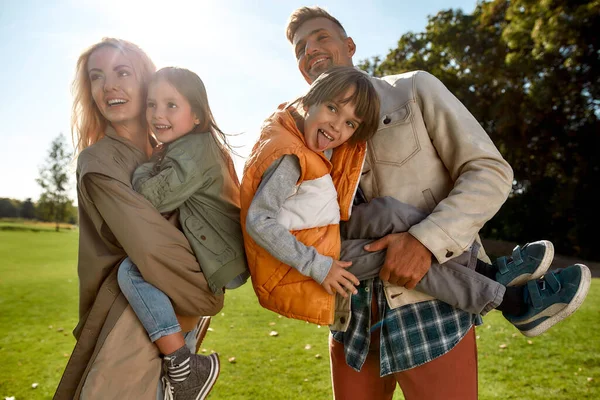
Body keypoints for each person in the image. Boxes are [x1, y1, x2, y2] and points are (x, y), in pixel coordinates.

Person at [284, 7, 591, 400]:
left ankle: (495, 281)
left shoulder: (413, 90)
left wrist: (425, 241)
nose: (310, 50)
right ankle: (497, 279)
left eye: (320, 37)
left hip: (432, 307)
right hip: (351, 318)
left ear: (349, 46)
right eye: (299, 48)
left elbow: (489, 171)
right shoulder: (299, 133)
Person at [242, 66, 587, 338]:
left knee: (389, 211)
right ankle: (513, 302)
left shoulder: (306, 137)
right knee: (399, 255)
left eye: (349, 123)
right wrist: (320, 266)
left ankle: (492, 271)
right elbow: (259, 221)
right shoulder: (288, 156)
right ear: (308, 99)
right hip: (303, 261)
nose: (336, 126)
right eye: (332, 109)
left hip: (322, 233)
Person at [54, 38, 223, 400]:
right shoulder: (99, 162)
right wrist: (210, 288)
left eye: (122, 72)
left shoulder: (173, 153)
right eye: (97, 77)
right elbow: (152, 247)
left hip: (179, 320)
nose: (109, 85)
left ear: (147, 81)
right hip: (126, 324)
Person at [117, 66, 249, 400]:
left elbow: (151, 197)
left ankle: (183, 363)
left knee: (131, 271)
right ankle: (183, 365)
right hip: (208, 254)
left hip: (215, 259)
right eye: (151, 104)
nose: (157, 114)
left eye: (171, 105)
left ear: (197, 116)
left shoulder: (194, 149)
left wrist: (146, 164)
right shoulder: (186, 147)